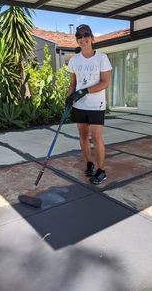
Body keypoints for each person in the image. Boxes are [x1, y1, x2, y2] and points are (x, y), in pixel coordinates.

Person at [66, 24, 112, 184]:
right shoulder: (74, 60)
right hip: (79, 105)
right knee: (83, 136)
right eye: (79, 36)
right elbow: (72, 84)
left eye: (86, 35)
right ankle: (89, 164)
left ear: (92, 38)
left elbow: (105, 83)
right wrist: (69, 97)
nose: (83, 38)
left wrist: (85, 91)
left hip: (96, 105)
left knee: (96, 137)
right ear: (77, 40)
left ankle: (101, 170)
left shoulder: (102, 58)